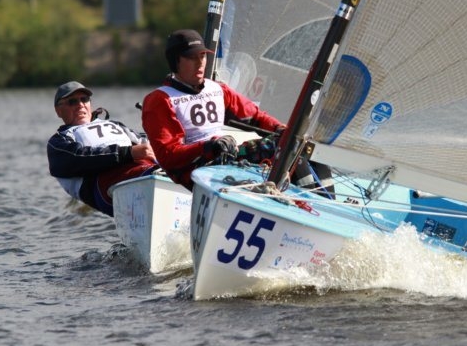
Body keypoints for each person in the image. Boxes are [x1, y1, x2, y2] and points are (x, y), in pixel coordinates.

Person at [141, 29, 287, 191]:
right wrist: (208, 147)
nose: (200, 63)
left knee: (285, 144)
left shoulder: (218, 89)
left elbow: (256, 117)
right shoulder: (160, 100)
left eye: (202, 56)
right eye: (191, 57)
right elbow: (168, 156)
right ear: (175, 62)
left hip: (226, 158)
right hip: (195, 172)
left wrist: (282, 130)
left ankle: (299, 196)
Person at [47, 81, 157, 216]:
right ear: (58, 110)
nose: (80, 104)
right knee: (156, 174)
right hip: (104, 186)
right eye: (72, 102)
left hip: (144, 170)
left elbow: (149, 142)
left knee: (174, 166)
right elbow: (80, 158)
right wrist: (128, 153)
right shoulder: (58, 142)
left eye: (84, 99)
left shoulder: (115, 125)